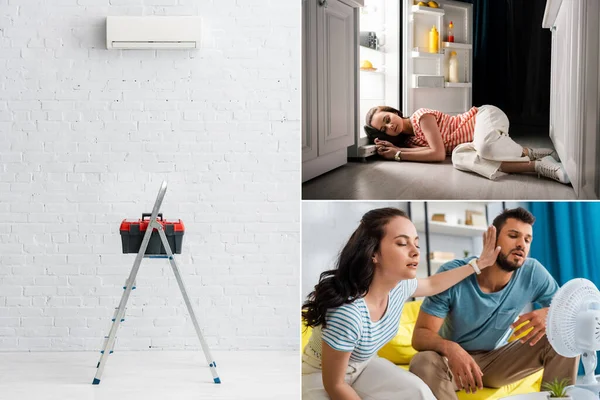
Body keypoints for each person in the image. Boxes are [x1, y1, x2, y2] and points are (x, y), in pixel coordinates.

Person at [301, 207, 502, 400]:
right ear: (374, 253)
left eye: (416, 243)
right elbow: (335, 384)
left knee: (420, 394)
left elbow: (433, 284)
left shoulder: (400, 287)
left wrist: (479, 264)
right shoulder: (348, 313)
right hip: (321, 375)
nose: (415, 252)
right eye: (402, 243)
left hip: (365, 365)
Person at [408, 207, 579, 400]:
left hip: (499, 361)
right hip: (453, 365)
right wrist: (451, 348)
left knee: (566, 335)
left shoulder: (533, 273)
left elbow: (570, 309)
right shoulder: (455, 273)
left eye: (527, 239)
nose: (521, 244)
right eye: (513, 236)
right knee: (422, 361)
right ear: (492, 238)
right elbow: (420, 336)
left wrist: (550, 312)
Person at [364, 105, 570, 184]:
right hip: (473, 142)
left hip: (485, 117)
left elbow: (436, 154)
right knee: (458, 158)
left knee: (485, 148)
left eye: (388, 119)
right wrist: (397, 149)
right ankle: (539, 166)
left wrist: (398, 155)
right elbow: (440, 153)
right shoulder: (410, 141)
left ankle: (529, 152)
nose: (390, 127)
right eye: (384, 129)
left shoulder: (421, 116)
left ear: (395, 112)